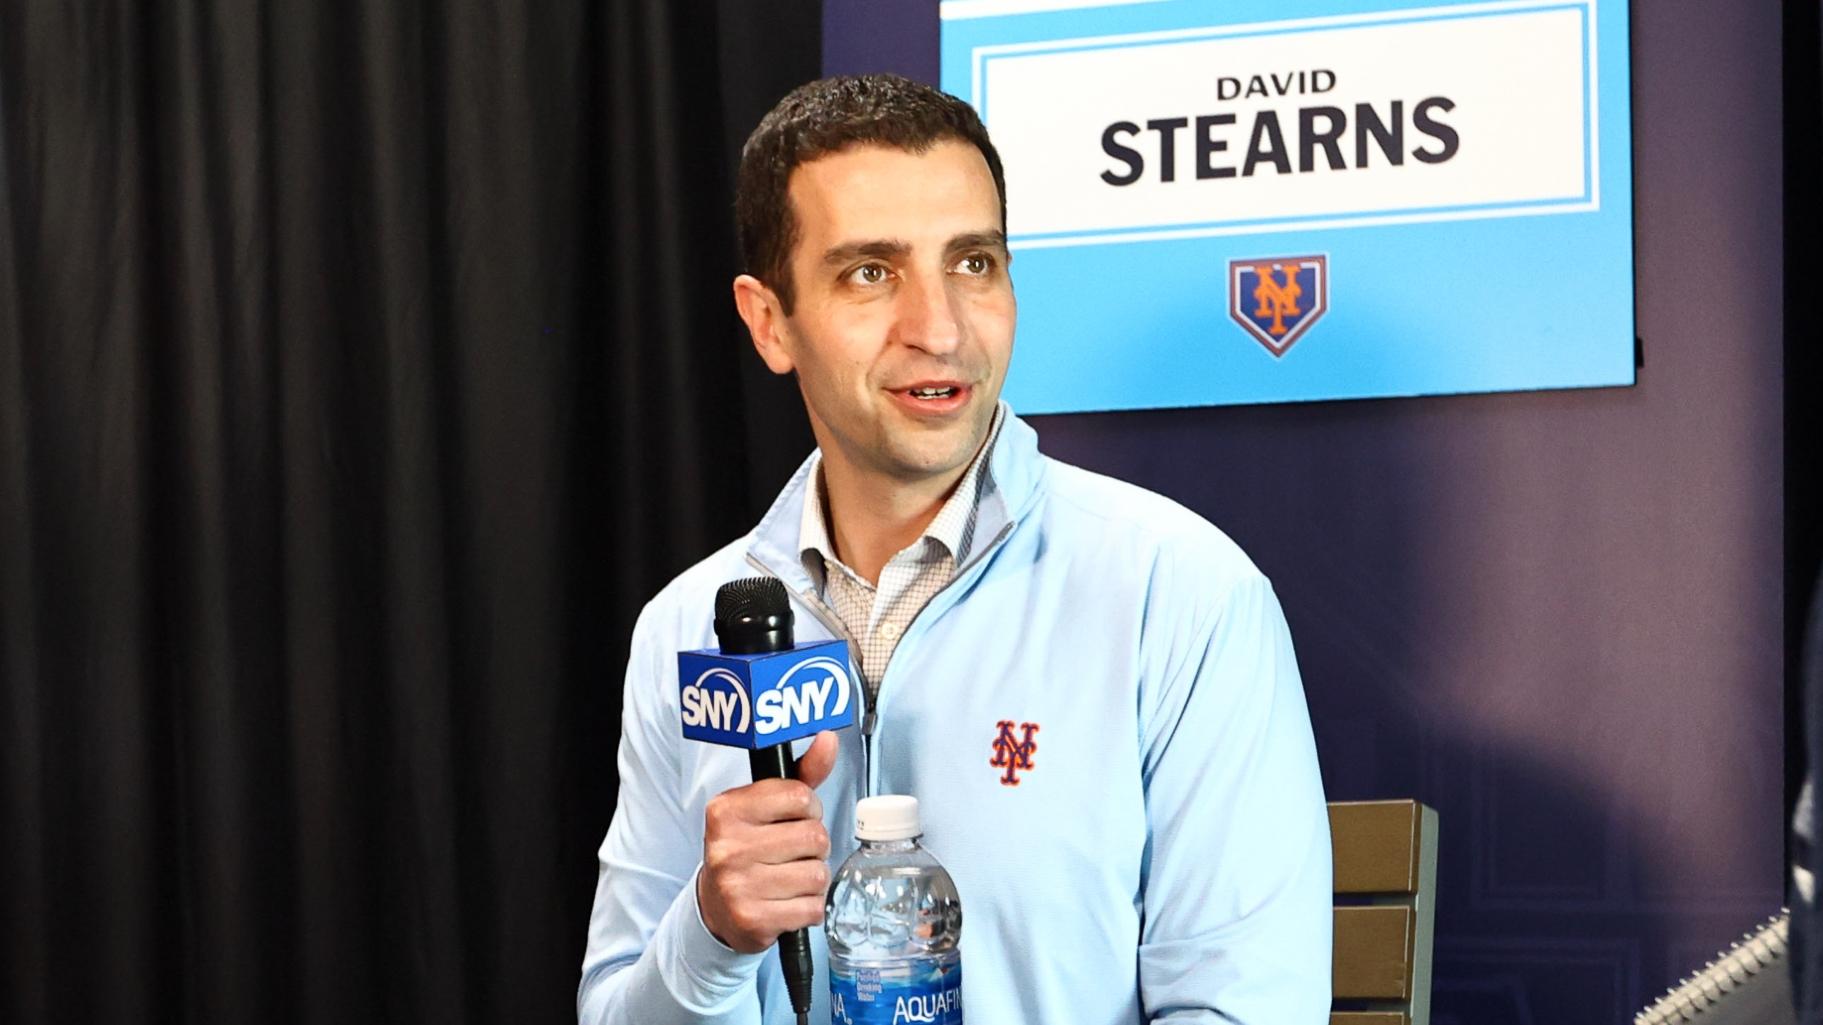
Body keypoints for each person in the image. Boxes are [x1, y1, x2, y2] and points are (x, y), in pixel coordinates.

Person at [578, 74, 1332, 1025]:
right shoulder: (688, 625)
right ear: (770, 321)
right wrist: (713, 933)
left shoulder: (1178, 594)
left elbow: (1245, 1007)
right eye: (869, 273)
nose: (937, 329)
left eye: (972, 264)